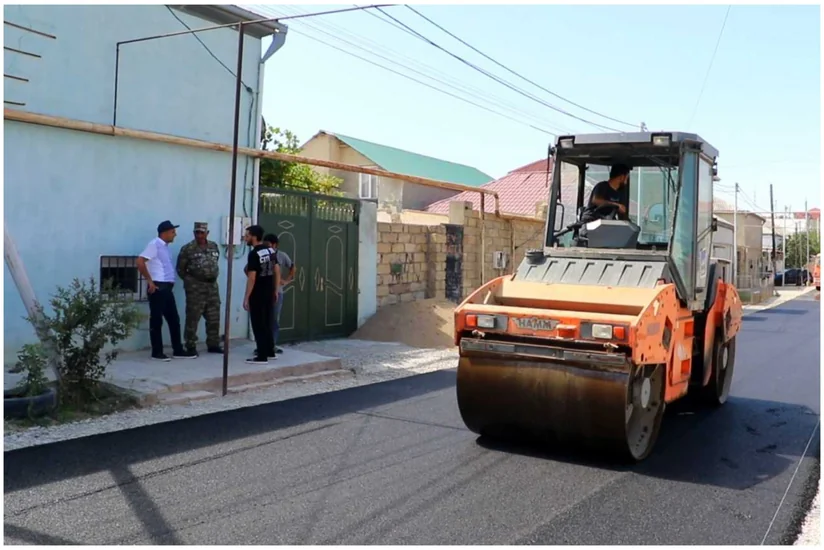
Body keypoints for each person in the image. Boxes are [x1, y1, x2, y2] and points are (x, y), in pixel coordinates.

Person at [136, 220, 196, 361]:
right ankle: (157, 352)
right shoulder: (154, 245)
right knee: (157, 320)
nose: (175, 235)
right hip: (158, 287)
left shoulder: (165, 247)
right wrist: (150, 281)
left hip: (167, 288)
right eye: (172, 232)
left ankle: (178, 350)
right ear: (165, 233)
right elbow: (140, 261)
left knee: (174, 319)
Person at [177, 222, 223, 356]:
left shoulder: (213, 246)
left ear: (207, 233)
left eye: (202, 232)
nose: (199, 235)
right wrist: (190, 282)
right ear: (194, 233)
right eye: (197, 232)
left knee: (214, 316)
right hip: (196, 288)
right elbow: (181, 269)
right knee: (193, 317)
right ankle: (190, 345)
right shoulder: (188, 249)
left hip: (212, 287)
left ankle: (213, 344)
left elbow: (215, 262)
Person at [243, 225, 280, 364]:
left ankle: (262, 355)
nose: (245, 238)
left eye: (247, 235)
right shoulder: (270, 250)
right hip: (269, 292)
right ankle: (270, 351)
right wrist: (275, 290)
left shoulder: (253, 254)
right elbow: (277, 270)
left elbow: (252, 277)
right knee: (268, 322)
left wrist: (247, 297)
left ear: (253, 236)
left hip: (258, 293)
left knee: (258, 324)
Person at [264, 233, 295, 354]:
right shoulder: (262, 255)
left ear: (275, 245)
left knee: (274, 320)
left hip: (277, 292)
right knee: (263, 320)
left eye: (268, 244)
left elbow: (292, 267)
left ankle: (272, 345)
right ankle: (262, 345)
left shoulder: (281, 256)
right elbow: (248, 269)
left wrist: (286, 280)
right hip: (264, 292)